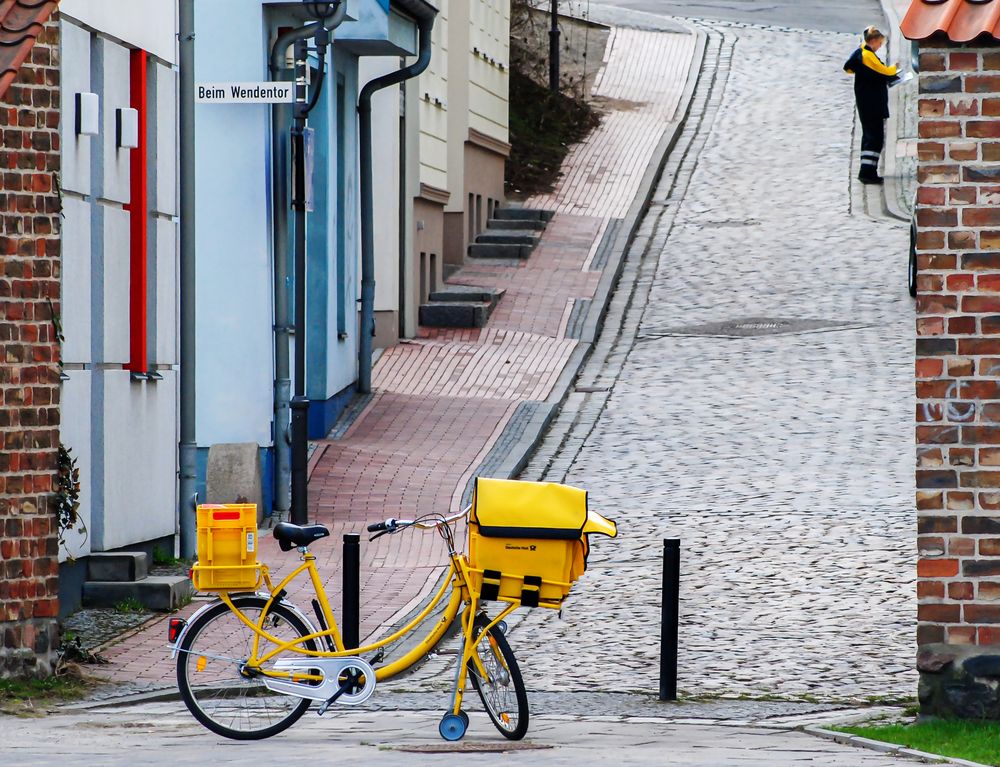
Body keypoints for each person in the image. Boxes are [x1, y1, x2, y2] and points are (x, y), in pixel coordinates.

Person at [843, 26, 899, 185]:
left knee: (870, 136)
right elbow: (885, 72)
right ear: (873, 41)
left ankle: (868, 170)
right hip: (872, 104)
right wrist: (896, 68)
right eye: (880, 43)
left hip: (867, 103)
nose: (880, 46)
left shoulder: (861, 53)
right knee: (874, 137)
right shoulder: (867, 56)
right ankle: (868, 172)